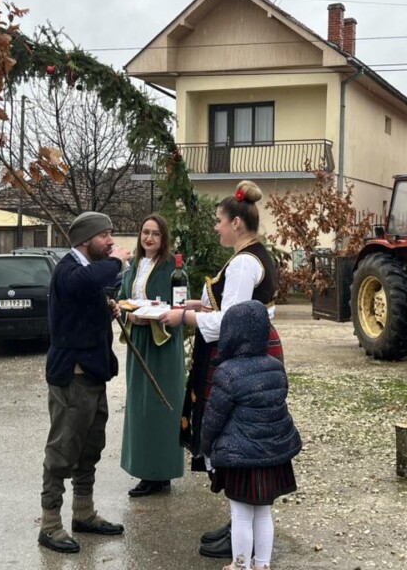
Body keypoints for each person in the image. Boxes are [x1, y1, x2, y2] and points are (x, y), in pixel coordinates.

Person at [159, 179, 282, 560]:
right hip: (251, 355)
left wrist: (183, 318)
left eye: (220, 220)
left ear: (236, 223)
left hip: (239, 358)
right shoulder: (252, 255)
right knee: (240, 438)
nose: (216, 227)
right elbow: (233, 309)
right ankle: (238, 524)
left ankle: (240, 528)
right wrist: (200, 305)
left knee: (233, 438)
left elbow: (230, 324)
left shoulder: (244, 262)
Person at [38, 211, 133, 555]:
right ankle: (50, 524)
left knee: (90, 448)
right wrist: (117, 261)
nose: (110, 241)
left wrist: (105, 310)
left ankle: (83, 513)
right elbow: (84, 282)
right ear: (85, 239)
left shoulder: (85, 271)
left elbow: (82, 301)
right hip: (72, 378)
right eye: (104, 235)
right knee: (62, 451)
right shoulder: (67, 270)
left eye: (110, 235)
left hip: (93, 375)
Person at [201, 300, 301, 570]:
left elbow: (213, 418)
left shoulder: (227, 372)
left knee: (241, 515)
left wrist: (207, 447)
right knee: (264, 512)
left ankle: (240, 565)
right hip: (272, 455)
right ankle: (263, 564)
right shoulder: (275, 367)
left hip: (240, 457)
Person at [117, 214, 186, 497]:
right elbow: (123, 299)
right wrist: (130, 315)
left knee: (161, 407)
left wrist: (154, 317)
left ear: (163, 238)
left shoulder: (172, 268)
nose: (149, 238)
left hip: (163, 344)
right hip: (139, 342)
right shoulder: (134, 266)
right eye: (145, 232)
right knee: (140, 407)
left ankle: (160, 473)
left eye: (155, 234)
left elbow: (180, 306)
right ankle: (147, 470)